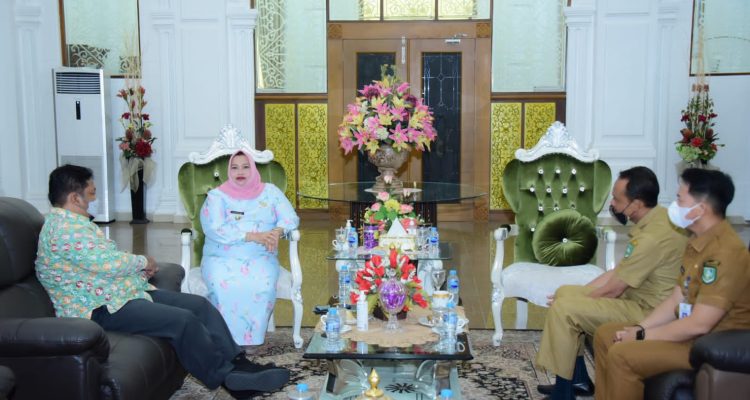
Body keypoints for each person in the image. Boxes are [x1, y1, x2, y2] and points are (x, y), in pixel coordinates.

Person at [35, 164, 290, 399]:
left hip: (121, 293)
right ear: (74, 198)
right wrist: (143, 261)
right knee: (183, 321)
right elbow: (108, 264)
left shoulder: (75, 224)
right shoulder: (64, 230)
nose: (93, 199)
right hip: (100, 307)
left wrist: (137, 272)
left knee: (199, 306)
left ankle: (240, 365)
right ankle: (229, 379)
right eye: (91, 193)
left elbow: (99, 263)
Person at [593, 168, 750, 400]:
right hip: (687, 332)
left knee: (622, 355)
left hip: (707, 343)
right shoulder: (696, 241)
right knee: (606, 335)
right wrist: (640, 329)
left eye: (680, 199)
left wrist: (642, 337)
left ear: (700, 209)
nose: (674, 206)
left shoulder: (726, 252)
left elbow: (700, 324)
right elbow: (676, 298)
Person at [535, 166, 688, 400]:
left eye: (617, 199)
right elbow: (620, 272)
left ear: (636, 204)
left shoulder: (651, 238)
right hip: (636, 296)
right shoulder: (658, 218)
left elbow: (614, 289)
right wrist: (579, 293)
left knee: (565, 309)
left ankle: (563, 393)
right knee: (565, 293)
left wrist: (578, 301)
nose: (613, 204)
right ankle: (579, 380)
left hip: (648, 311)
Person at [200, 150, 299, 352]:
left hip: (260, 255)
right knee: (222, 284)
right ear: (229, 171)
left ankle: (252, 339)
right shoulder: (216, 196)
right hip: (221, 255)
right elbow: (215, 228)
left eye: (245, 167)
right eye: (235, 167)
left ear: (253, 169)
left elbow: (290, 217)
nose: (240, 172)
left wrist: (276, 232)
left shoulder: (270, 192)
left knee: (262, 283)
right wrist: (254, 236)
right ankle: (226, 339)